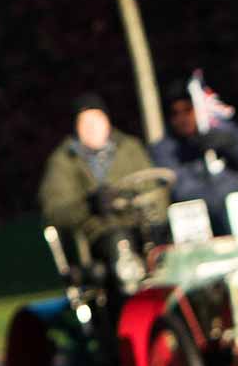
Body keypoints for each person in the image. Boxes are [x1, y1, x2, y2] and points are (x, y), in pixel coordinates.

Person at [148, 76, 238, 235]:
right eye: (175, 113)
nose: (182, 119)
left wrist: (231, 143)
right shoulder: (165, 150)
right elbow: (184, 192)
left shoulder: (221, 132)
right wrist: (227, 196)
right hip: (206, 227)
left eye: (187, 110)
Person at [37, 93, 154, 254]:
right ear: (76, 127)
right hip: (96, 238)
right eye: (85, 122)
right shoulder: (64, 160)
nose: (92, 127)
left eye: (97, 119)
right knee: (115, 243)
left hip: (140, 227)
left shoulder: (130, 148)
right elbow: (55, 211)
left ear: (107, 121)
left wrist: (136, 203)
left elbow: (154, 188)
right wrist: (89, 205)